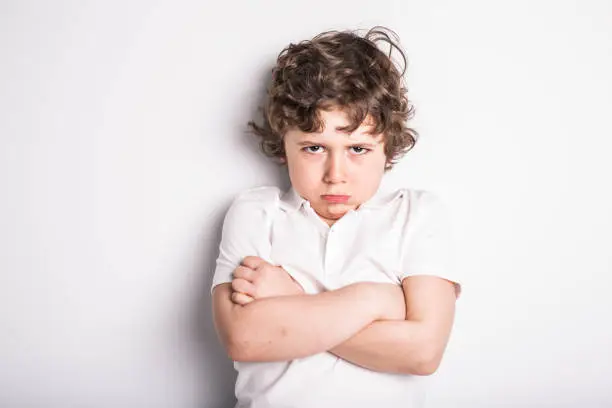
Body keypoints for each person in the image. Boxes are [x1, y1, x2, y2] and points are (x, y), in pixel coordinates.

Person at [211, 26, 461, 408]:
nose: (336, 173)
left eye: (358, 148)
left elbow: (422, 353)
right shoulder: (257, 212)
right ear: (284, 146)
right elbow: (245, 339)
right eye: (314, 147)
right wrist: (377, 300)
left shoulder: (416, 214)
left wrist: (292, 299)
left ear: (387, 147)